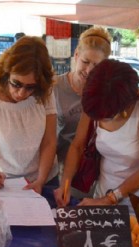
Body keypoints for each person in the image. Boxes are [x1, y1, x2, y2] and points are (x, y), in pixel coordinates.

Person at [55, 59, 139, 216]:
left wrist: (109, 199)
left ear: (125, 106)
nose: (99, 121)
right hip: (104, 194)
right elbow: (78, 145)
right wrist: (65, 185)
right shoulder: (97, 98)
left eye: (106, 118)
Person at [0, 36, 57, 196]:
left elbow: (49, 141)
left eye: (30, 87)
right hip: (5, 183)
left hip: (45, 178)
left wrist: (41, 180)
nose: (21, 93)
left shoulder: (45, 94)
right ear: (6, 73)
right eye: (16, 83)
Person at [53, 27, 111, 166]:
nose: (89, 70)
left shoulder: (106, 93)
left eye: (96, 65)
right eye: (85, 62)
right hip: (57, 164)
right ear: (76, 55)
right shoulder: (54, 87)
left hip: (92, 169)